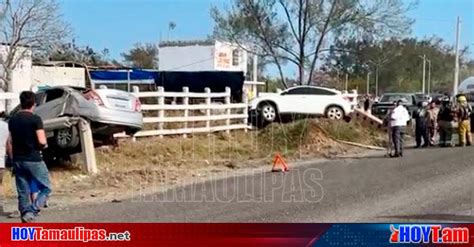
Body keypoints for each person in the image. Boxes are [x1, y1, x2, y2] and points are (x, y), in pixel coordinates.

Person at [7, 91, 51, 223]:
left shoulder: (12, 120)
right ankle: (33, 210)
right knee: (46, 187)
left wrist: (12, 159)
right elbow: (42, 141)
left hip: (18, 159)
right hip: (33, 159)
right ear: (33, 104)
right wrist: (43, 146)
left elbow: (9, 142)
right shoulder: (35, 119)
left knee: (23, 190)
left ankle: (25, 214)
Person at [0, 113, 9, 214]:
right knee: (0, 184)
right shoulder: (5, 126)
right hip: (1, 160)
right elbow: (8, 143)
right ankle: (1, 206)